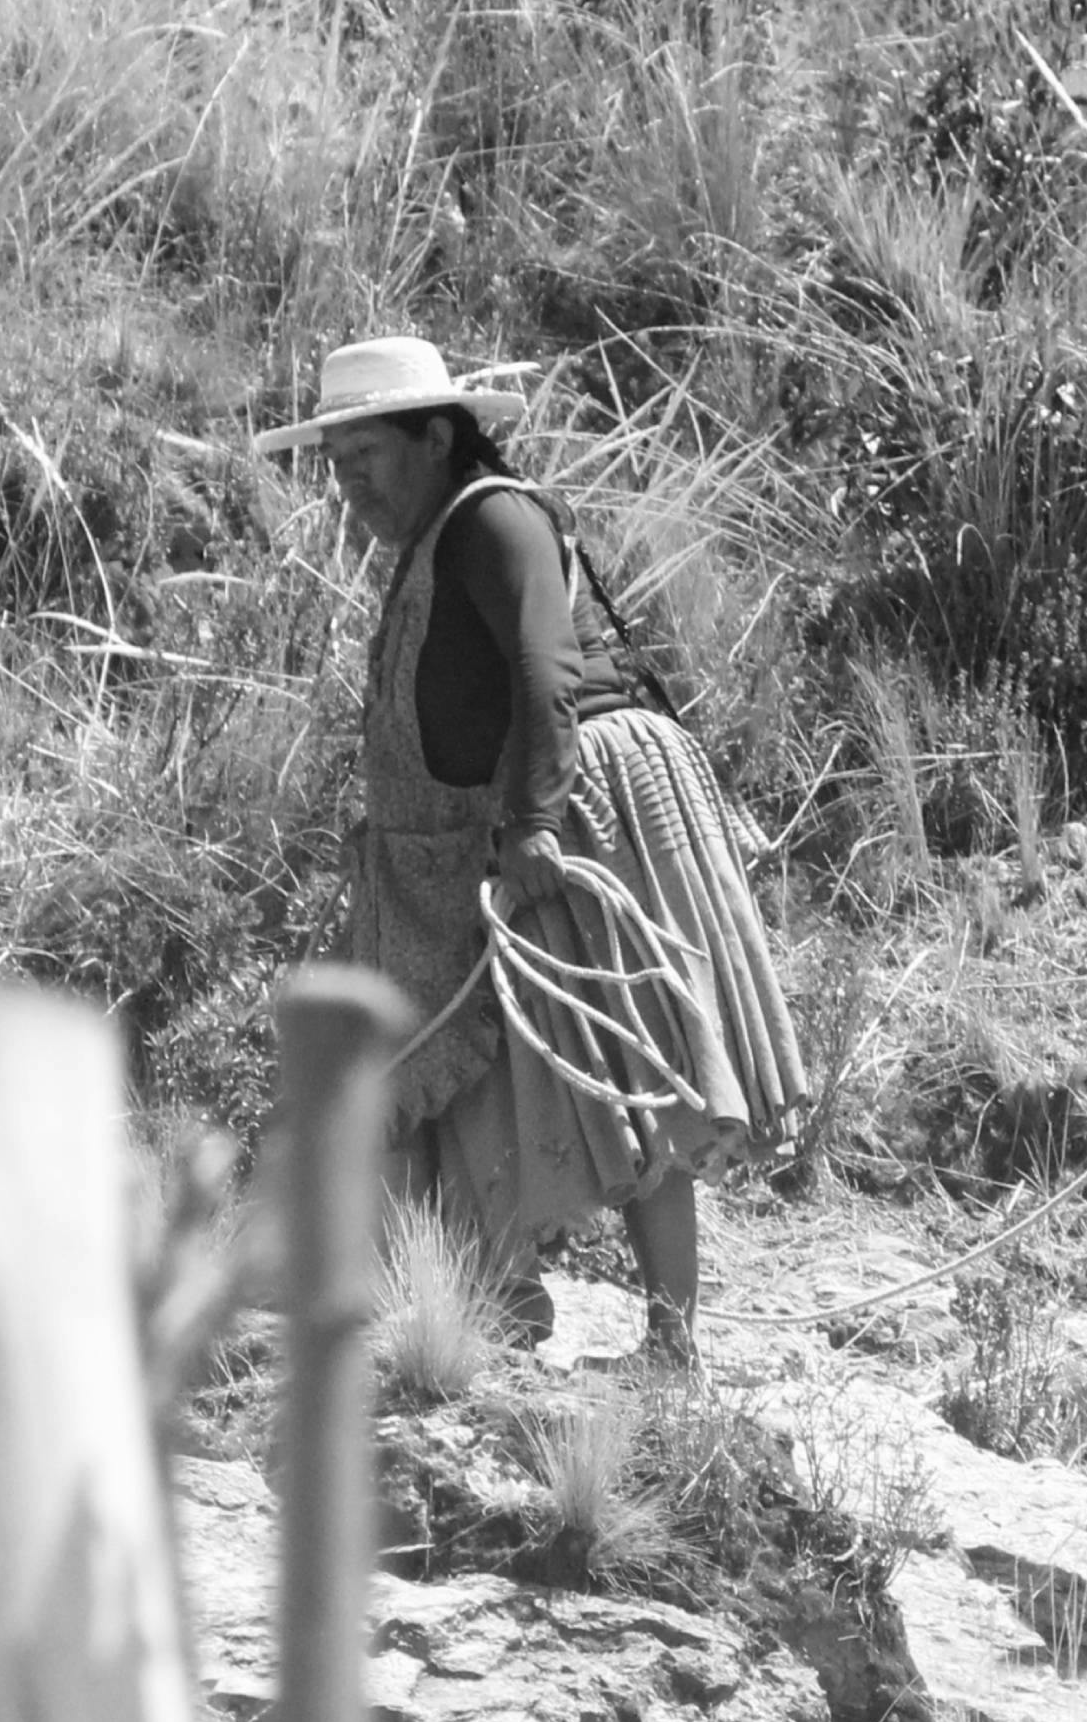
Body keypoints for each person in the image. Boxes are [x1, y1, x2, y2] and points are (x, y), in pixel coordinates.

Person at [256, 335, 800, 1363]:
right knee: (498, 1075)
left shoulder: (492, 517)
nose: (351, 487)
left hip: (582, 798)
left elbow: (545, 663)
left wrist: (539, 821)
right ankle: (492, 1305)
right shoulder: (438, 535)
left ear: (434, 438)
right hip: (499, 825)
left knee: (618, 1058)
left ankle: (671, 1344)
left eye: (365, 458)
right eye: (337, 467)